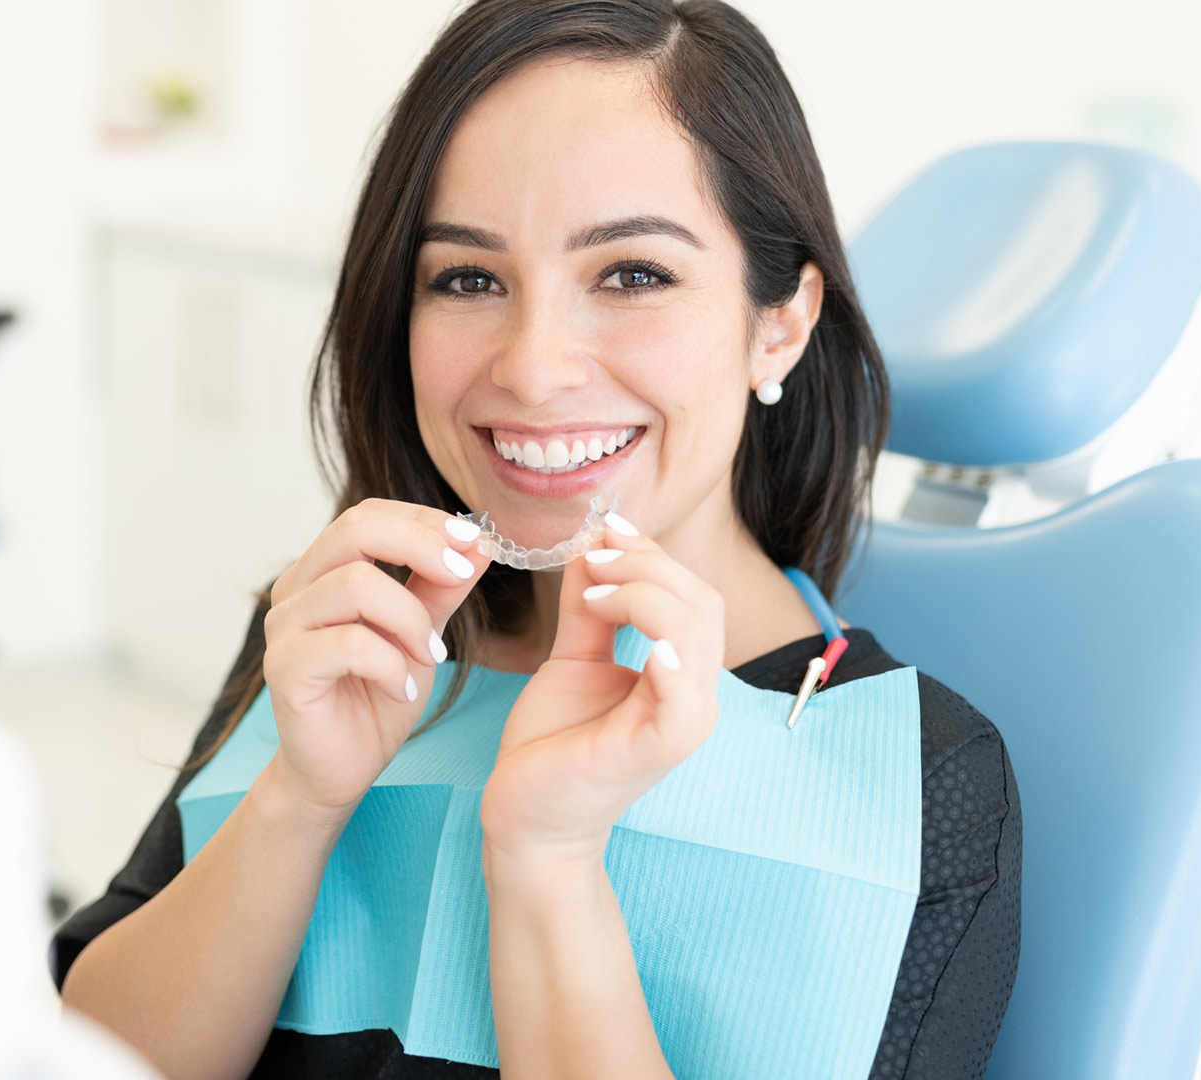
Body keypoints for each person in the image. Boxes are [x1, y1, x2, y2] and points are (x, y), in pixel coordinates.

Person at [53, 1, 1021, 1077]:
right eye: (468, 278)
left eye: (633, 274)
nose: (532, 366)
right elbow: (80, 1057)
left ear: (778, 323)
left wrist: (547, 859)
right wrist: (298, 797)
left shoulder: (919, 779)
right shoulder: (347, 631)